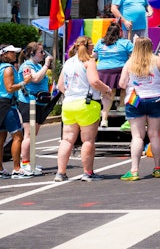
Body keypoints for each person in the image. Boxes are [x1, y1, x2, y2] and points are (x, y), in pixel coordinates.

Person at [56, 36, 113, 181]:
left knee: (67, 139)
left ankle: (60, 173)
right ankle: (88, 172)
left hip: (69, 103)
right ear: (88, 47)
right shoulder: (89, 61)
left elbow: (60, 86)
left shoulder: (68, 62)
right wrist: (106, 89)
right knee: (87, 140)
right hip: (87, 103)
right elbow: (94, 81)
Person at [118, 37, 160, 180]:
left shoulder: (129, 63)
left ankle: (134, 170)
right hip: (156, 98)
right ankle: (157, 167)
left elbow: (122, 84)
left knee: (137, 136)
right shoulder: (157, 60)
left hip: (136, 99)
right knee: (154, 134)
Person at [17, 42, 53, 176]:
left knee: (33, 134)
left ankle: (30, 161)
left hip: (39, 103)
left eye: (44, 52)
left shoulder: (37, 65)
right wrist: (46, 65)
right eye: (41, 52)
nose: (44, 54)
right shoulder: (27, 66)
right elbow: (36, 79)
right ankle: (25, 162)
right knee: (29, 134)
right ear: (32, 53)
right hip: (29, 102)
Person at [0, 45, 32, 178]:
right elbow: (10, 88)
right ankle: (17, 168)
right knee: (18, 136)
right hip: (7, 105)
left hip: (2, 104)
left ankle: (1, 169)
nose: (14, 55)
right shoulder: (8, 69)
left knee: (1, 138)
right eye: (12, 52)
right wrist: (24, 82)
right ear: (5, 54)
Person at [93, 21, 133, 127]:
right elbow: (133, 56)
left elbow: (94, 56)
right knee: (125, 85)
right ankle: (121, 105)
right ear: (120, 32)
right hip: (120, 70)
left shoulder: (100, 42)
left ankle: (104, 119)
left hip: (103, 72)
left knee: (107, 94)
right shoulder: (126, 43)